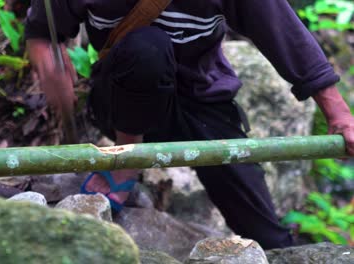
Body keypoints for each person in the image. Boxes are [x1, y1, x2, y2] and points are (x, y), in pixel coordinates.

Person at [25, 0, 354, 249]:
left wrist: (338, 114)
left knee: (263, 226)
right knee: (146, 47)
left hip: (203, 100)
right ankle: (125, 162)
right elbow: (41, 31)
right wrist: (48, 59)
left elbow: (283, 33)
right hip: (123, 98)